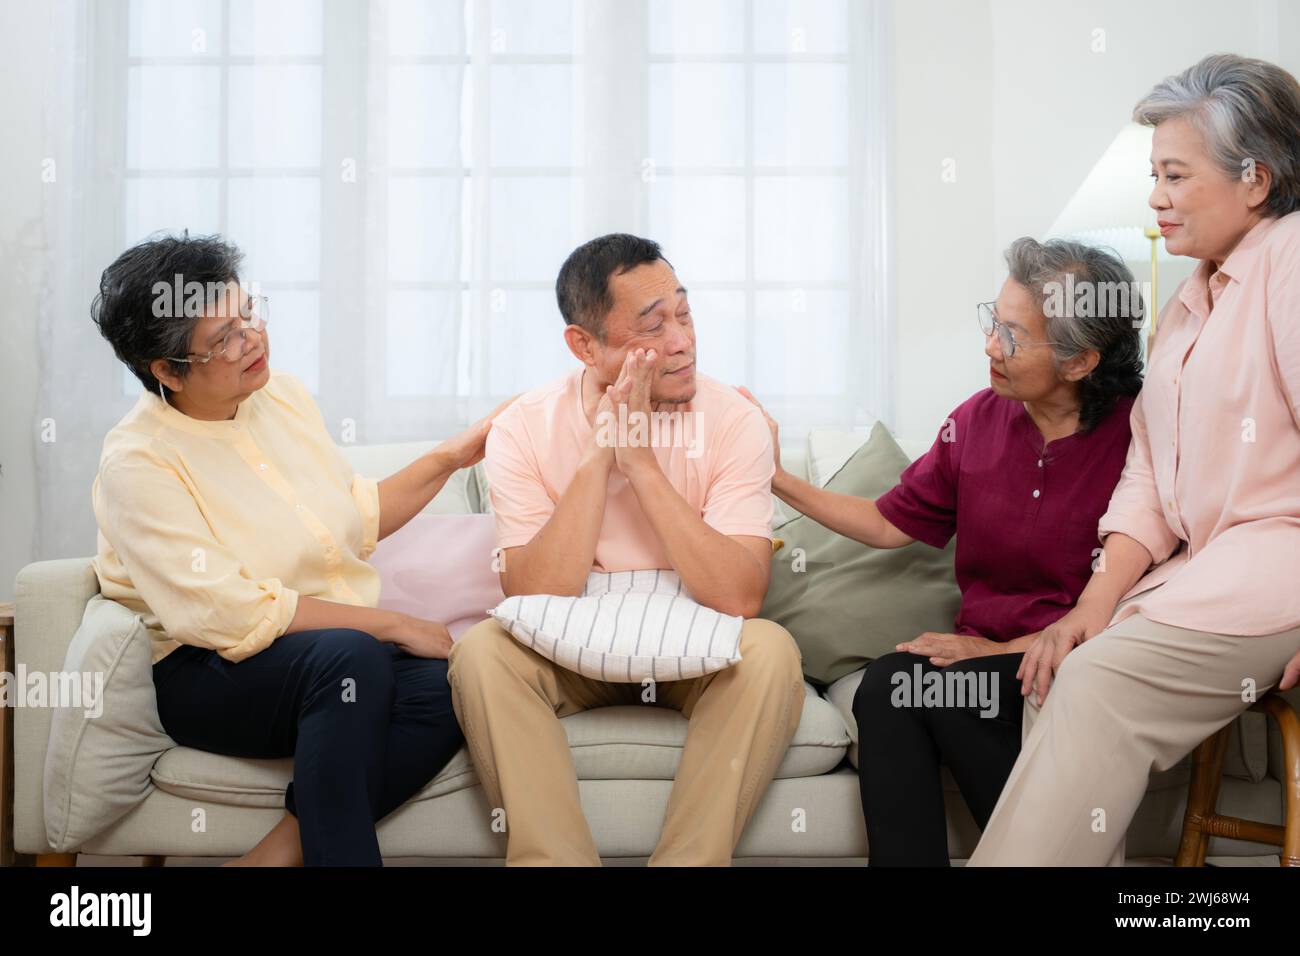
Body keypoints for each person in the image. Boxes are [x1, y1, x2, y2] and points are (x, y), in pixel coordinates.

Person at [971, 53, 1300, 867]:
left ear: (1255, 180)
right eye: (1155, 173)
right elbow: (1150, 480)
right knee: (1062, 666)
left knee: (1095, 689)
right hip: (1205, 572)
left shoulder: (1291, 263)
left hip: (1278, 569)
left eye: (1176, 175)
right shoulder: (1190, 304)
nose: (1155, 197)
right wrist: (1093, 604)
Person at [91, 233, 503, 866]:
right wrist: (392, 622)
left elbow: (351, 518)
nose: (251, 339)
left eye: (247, 314)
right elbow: (225, 614)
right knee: (352, 657)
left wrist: (451, 456)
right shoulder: (138, 461)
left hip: (327, 654)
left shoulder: (278, 395)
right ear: (167, 371)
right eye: (223, 338)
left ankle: (277, 853)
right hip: (206, 673)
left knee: (452, 681)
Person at [744, 237, 1144, 865]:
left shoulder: (1141, 438)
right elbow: (885, 522)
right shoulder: (977, 420)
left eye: (1012, 336)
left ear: (1079, 361)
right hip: (989, 670)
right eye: (994, 322)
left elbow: (1154, 592)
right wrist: (778, 478)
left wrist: (999, 651)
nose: (990, 346)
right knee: (891, 686)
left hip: (1082, 668)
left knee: (936, 695)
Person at [447, 233, 805, 866]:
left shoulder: (733, 420)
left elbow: (741, 594)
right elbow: (532, 592)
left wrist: (641, 466)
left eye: (685, 314)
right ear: (586, 346)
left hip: (694, 638)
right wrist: (600, 456)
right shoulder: (523, 428)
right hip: (568, 640)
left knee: (770, 651)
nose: (682, 342)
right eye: (653, 326)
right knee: (482, 653)